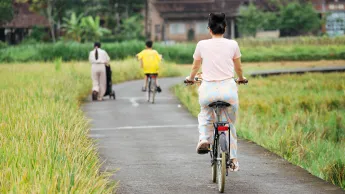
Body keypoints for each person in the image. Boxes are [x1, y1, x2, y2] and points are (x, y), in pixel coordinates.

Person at [185, 13, 246, 172]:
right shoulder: (233, 44)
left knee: (205, 113)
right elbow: (238, 68)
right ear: (225, 28)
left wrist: (191, 78)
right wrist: (241, 78)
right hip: (228, 91)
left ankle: (205, 139)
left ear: (209, 29)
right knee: (230, 124)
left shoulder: (201, 44)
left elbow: (195, 67)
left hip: (208, 91)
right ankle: (232, 159)